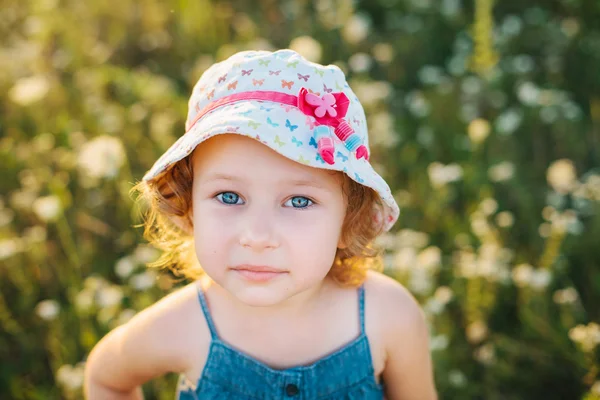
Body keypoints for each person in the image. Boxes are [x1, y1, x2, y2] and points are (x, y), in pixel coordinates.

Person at [84, 49, 438, 400]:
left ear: (349, 221)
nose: (257, 236)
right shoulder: (183, 325)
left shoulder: (388, 317)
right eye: (229, 196)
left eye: (299, 201)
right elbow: (107, 379)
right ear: (189, 207)